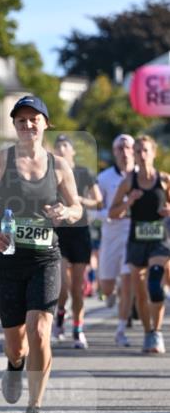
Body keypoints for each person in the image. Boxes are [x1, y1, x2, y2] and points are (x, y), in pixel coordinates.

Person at [0, 96, 82, 413]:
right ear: (14, 126)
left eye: (34, 119)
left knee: (39, 330)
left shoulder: (59, 166)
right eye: (21, 120)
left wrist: (66, 213)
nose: (27, 125)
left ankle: (34, 408)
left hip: (46, 257)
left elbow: (77, 207)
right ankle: (14, 363)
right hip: (7, 258)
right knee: (16, 341)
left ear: (45, 124)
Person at [108, 134, 170, 354]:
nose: (141, 155)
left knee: (154, 282)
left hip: (158, 239)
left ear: (153, 153)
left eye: (145, 151)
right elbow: (112, 212)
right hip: (136, 240)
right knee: (140, 292)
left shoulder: (164, 180)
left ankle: (157, 331)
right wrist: (129, 201)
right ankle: (148, 332)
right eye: (138, 151)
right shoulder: (128, 182)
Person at [51, 134, 102, 349]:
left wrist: (81, 200)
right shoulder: (51, 173)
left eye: (65, 145)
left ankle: (78, 328)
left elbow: (98, 201)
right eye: (58, 146)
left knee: (78, 289)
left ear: (72, 151)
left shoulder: (83, 173)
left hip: (80, 232)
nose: (62, 149)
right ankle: (61, 312)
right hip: (60, 233)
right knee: (62, 285)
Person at [96, 134, 135, 346]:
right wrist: (108, 215)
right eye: (120, 148)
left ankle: (121, 329)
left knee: (128, 282)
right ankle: (110, 293)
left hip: (133, 235)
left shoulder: (143, 177)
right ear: (114, 153)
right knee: (108, 285)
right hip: (111, 235)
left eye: (128, 147)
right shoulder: (104, 178)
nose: (124, 152)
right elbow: (94, 209)